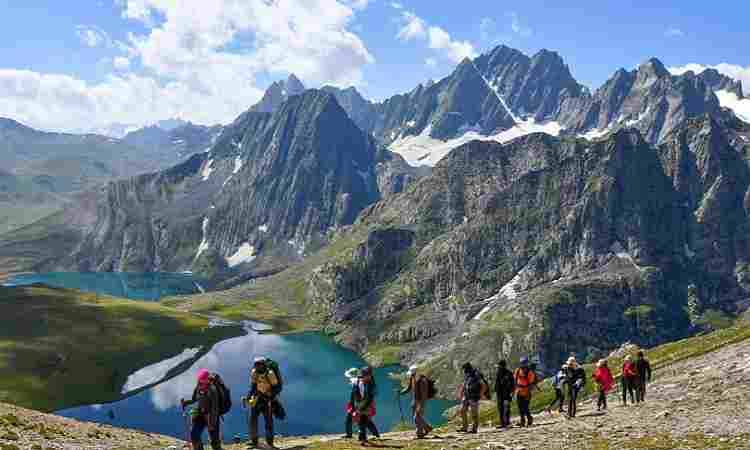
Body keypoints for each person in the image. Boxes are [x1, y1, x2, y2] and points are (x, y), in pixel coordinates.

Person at [181, 369, 222, 450]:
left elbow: (214, 408)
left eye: (202, 381)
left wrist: (212, 424)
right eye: (200, 381)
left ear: (207, 380)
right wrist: (186, 402)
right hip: (201, 413)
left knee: (214, 442)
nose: (201, 383)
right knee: (194, 434)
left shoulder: (213, 390)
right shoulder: (198, 387)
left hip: (211, 416)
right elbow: (194, 399)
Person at [247, 357, 281, 449]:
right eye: (256, 365)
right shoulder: (254, 372)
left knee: (268, 422)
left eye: (259, 364)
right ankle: (254, 441)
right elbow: (253, 385)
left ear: (263, 365)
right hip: (257, 398)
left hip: (267, 400)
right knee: (252, 419)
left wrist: (270, 396)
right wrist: (249, 396)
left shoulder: (270, 373)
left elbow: (276, 388)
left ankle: (270, 443)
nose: (257, 367)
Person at [400, 365, 433, 438]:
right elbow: (409, 388)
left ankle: (420, 432)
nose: (411, 375)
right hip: (415, 400)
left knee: (416, 417)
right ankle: (427, 428)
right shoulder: (412, 378)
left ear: (415, 373)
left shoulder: (422, 380)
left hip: (420, 401)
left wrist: (421, 404)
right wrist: (401, 392)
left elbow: (424, 394)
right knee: (417, 417)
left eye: (412, 373)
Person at [355, 366, 380, 444]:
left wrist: (363, 407)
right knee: (363, 421)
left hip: (366, 405)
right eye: (363, 375)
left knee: (362, 421)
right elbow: (357, 391)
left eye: (365, 375)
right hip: (361, 404)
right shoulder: (362, 381)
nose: (363, 377)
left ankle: (363, 438)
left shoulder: (370, 385)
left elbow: (370, 398)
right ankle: (373, 434)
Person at [458, 363, 482, 433]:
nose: (464, 371)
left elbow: (483, 385)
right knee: (462, 411)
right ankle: (465, 427)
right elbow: (464, 384)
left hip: (474, 396)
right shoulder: (467, 375)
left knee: (474, 413)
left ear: (467, 368)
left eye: (464, 369)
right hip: (466, 396)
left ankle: (474, 429)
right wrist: (461, 393)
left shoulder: (476, 375)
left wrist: (480, 394)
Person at [513, 357, 537, 427]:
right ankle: (522, 421)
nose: (523, 365)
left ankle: (529, 418)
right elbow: (515, 381)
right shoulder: (517, 370)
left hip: (526, 392)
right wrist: (514, 391)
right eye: (522, 363)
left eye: (524, 363)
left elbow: (531, 384)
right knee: (520, 407)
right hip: (519, 391)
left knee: (525, 407)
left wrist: (528, 392)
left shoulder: (529, 372)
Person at [494, 360, 515, 429]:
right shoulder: (498, 373)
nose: (498, 367)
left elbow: (512, 384)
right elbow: (497, 384)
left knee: (507, 408)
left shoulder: (509, 373)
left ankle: (507, 423)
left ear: (502, 366)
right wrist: (496, 391)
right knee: (500, 409)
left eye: (499, 366)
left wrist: (512, 393)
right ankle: (502, 423)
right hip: (500, 394)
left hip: (507, 394)